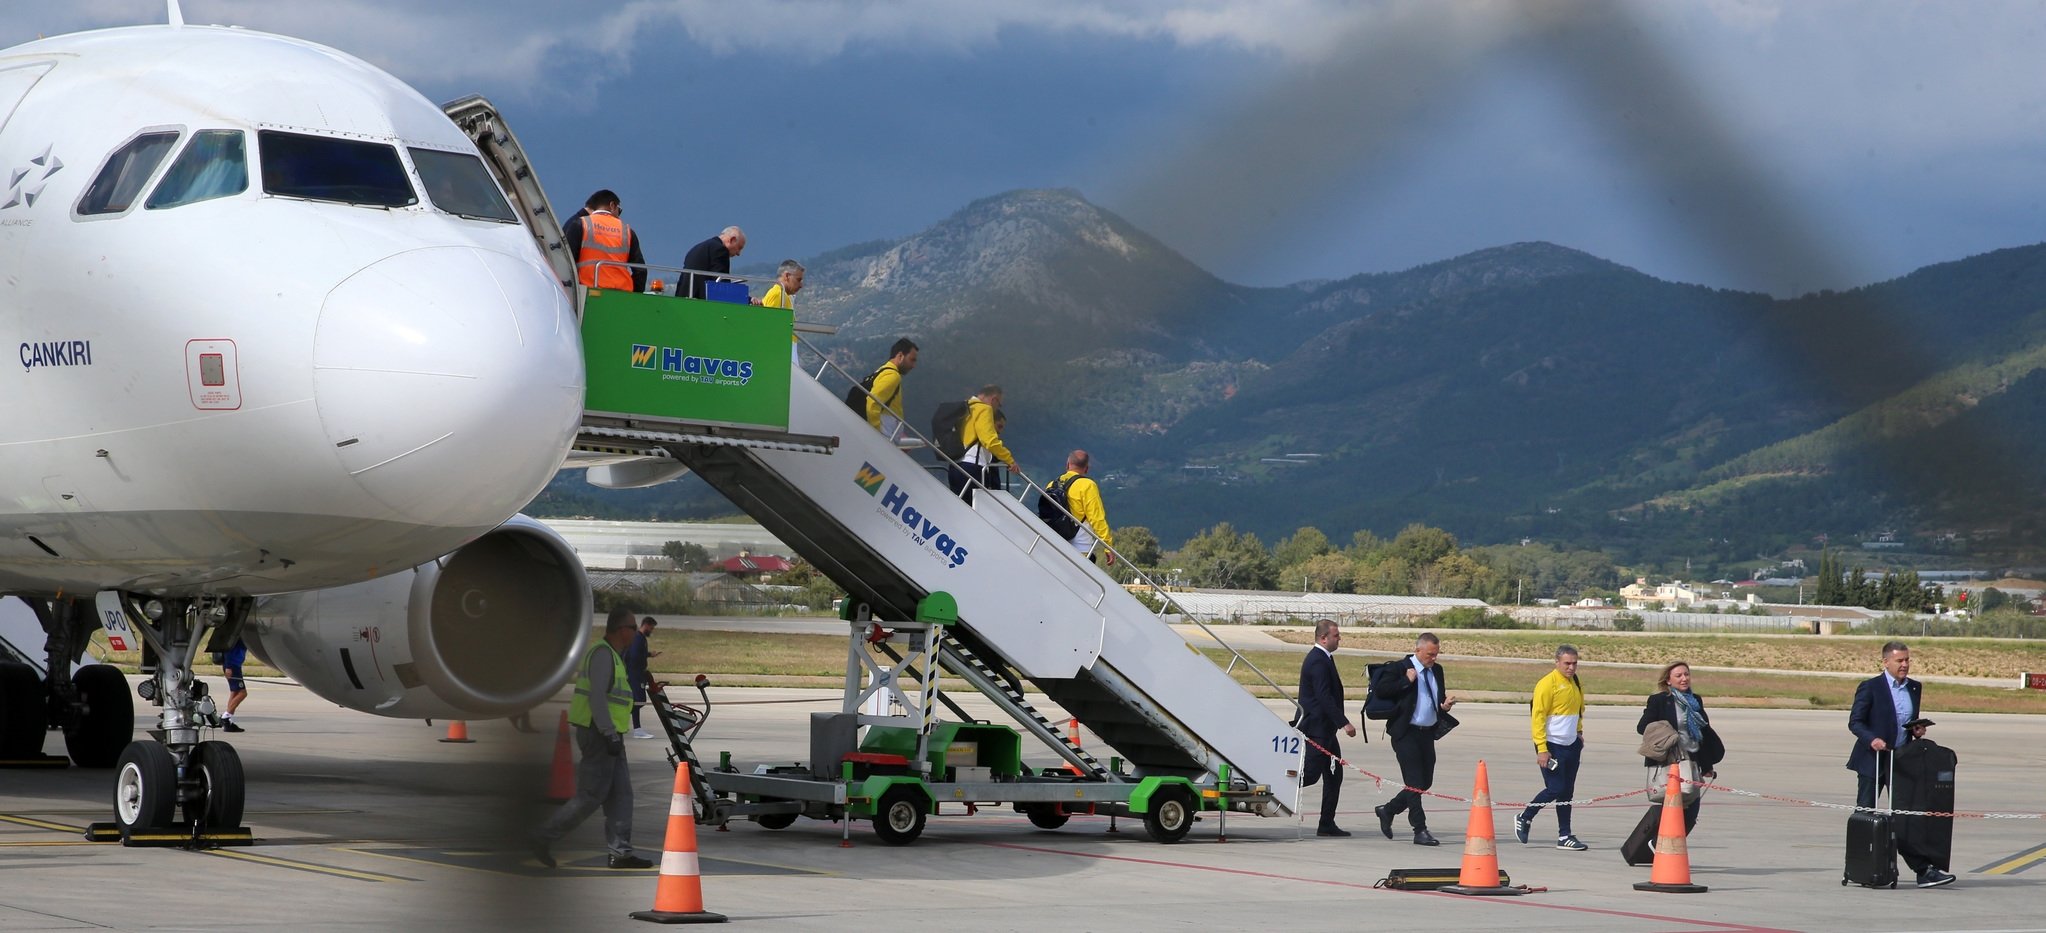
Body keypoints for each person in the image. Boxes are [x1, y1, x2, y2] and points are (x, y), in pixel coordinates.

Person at [533, 608, 654, 870]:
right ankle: (543, 836)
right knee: (591, 795)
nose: (636, 632)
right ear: (622, 630)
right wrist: (609, 734)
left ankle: (620, 852)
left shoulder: (615, 655)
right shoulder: (602, 654)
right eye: (633, 628)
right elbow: (597, 698)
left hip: (611, 734)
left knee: (622, 795)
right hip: (600, 733)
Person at [1848, 641, 1954, 887]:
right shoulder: (1870, 687)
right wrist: (1871, 739)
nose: (1905, 665)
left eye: (1907, 660)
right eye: (1900, 661)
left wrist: (1916, 730)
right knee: (1865, 814)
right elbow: (1855, 722)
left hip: (1901, 761)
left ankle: (1924, 870)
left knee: (1907, 819)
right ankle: (1863, 868)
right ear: (1886, 662)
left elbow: (1906, 722)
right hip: (1872, 761)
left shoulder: (1914, 688)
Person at [1373, 632, 1456, 846]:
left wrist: (1443, 706)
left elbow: (1436, 697)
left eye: (1436, 654)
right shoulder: (1399, 668)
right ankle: (1419, 829)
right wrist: (1406, 681)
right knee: (1414, 782)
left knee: (1424, 782)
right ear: (1417, 650)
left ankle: (1388, 810)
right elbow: (1381, 691)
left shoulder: (1436, 670)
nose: (1434, 658)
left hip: (1427, 734)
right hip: (1405, 733)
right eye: (1430, 654)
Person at [1636, 661, 1724, 834]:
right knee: (1672, 808)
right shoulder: (1659, 700)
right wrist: (1668, 734)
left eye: (1686, 674)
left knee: (1691, 811)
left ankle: (1671, 846)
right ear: (1668, 680)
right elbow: (1642, 727)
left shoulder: (1695, 701)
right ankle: (1657, 842)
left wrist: (1707, 766)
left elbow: (1702, 735)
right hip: (1670, 762)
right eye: (1679, 675)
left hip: (1692, 761)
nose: (1684, 679)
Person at [1516, 644, 1588, 851]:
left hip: (1571, 744)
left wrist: (1579, 734)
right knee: (1555, 788)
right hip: (1551, 745)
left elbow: (1578, 710)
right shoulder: (1547, 684)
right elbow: (1537, 717)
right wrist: (1541, 748)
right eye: (1567, 663)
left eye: (1574, 663)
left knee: (1567, 793)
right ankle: (1525, 816)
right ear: (1557, 662)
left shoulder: (1575, 682)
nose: (1571, 668)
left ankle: (1564, 835)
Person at [1295, 619, 1356, 837]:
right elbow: (1323, 697)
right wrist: (1344, 722)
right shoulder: (1318, 661)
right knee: (1310, 775)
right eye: (1336, 635)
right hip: (1317, 729)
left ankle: (1326, 823)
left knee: (1334, 776)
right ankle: (1273, 789)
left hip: (1326, 730)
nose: (1339, 638)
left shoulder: (1324, 658)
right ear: (1324, 638)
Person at [563, 190, 647, 293]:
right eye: (619, 210)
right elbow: (640, 271)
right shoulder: (627, 231)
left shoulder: (580, 224)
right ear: (612, 205)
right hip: (622, 295)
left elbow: (566, 262)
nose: (619, 215)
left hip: (588, 293)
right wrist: (635, 296)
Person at [948, 385, 1018, 503]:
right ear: (994, 399)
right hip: (973, 467)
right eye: (999, 404)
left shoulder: (965, 407)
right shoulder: (984, 409)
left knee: (960, 506)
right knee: (976, 509)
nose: (997, 408)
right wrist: (1009, 459)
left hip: (955, 465)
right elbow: (989, 440)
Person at [1052, 450, 1115, 565]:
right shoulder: (1087, 485)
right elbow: (1097, 518)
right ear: (1086, 468)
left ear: (1067, 465)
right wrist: (1107, 545)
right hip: (1080, 545)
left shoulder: (1052, 484)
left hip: (1054, 541)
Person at [862, 338, 919, 438]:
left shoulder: (882, 371)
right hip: (883, 434)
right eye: (912, 360)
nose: (914, 365)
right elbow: (873, 401)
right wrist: (875, 431)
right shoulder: (892, 376)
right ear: (900, 356)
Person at [758, 260, 805, 364]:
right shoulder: (777, 294)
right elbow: (770, 330)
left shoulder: (784, 295)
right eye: (798, 280)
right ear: (787, 276)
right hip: (784, 352)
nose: (801, 285)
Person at [681, 225, 746, 299]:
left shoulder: (697, 248)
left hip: (683, 300)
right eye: (739, 248)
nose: (738, 253)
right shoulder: (720, 250)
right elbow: (722, 284)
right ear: (732, 240)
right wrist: (747, 298)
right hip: (701, 303)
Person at [626, 616, 661, 739]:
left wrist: (649, 655)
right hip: (635, 674)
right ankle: (633, 726)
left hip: (637, 674)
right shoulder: (638, 638)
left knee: (637, 701)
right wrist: (641, 670)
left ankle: (637, 728)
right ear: (645, 625)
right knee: (638, 700)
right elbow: (634, 656)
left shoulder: (641, 638)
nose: (651, 631)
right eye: (651, 628)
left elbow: (638, 654)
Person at [214, 638, 248, 733]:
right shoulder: (236, 634)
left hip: (235, 665)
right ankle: (226, 717)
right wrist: (228, 666)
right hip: (232, 666)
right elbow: (228, 649)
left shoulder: (240, 633)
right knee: (243, 693)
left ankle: (228, 722)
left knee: (234, 692)